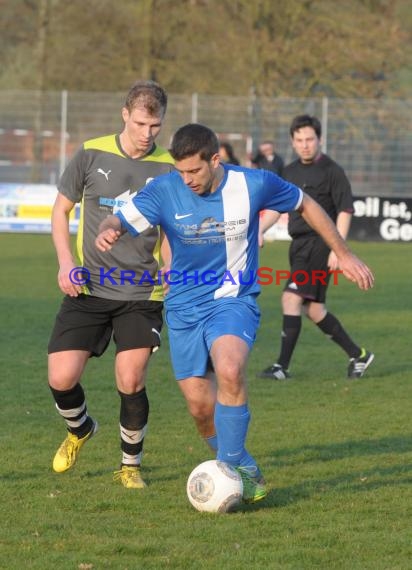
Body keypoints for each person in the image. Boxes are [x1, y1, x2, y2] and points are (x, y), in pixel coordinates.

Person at [95, 123, 374, 504]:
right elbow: (121, 218)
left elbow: (306, 205)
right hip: (182, 306)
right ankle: (241, 464)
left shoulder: (253, 183)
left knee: (229, 368)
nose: (187, 179)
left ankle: (229, 467)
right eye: (181, 171)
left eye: (194, 170)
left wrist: (343, 253)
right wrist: (109, 229)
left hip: (232, 298)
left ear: (215, 159)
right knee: (199, 407)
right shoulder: (164, 189)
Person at [47, 80, 174, 489]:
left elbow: (171, 231)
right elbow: (60, 210)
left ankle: (130, 466)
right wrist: (66, 262)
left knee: (130, 378)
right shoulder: (91, 151)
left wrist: (171, 271)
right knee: (61, 378)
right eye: (140, 123)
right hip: (89, 287)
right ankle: (80, 429)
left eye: (155, 126)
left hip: (142, 292)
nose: (147, 134)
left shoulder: (170, 167)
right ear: (125, 114)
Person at [259, 114, 374, 381]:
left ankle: (281, 367)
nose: (305, 145)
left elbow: (344, 210)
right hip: (298, 246)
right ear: (292, 141)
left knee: (290, 298)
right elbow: (278, 207)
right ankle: (358, 355)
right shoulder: (288, 171)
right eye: (299, 140)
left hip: (320, 245)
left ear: (319, 139)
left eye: (310, 139)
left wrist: (339, 251)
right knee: (314, 310)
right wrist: (259, 231)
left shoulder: (332, 171)